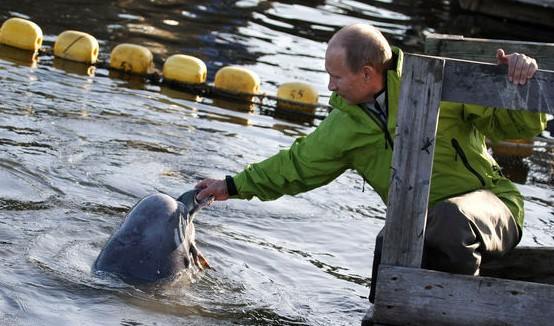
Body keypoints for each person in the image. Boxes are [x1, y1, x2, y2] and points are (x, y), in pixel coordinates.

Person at [195, 23, 546, 314]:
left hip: (493, 209)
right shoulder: (345, 123)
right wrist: (232, 185)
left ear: (366, 73)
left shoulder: (443, 85)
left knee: (450, 220)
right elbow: (295, 166)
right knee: (388, 240)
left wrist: (519, 79)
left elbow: (520, 127)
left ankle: (457, 315)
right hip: (420, 224)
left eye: (335, 77)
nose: (330, 86)